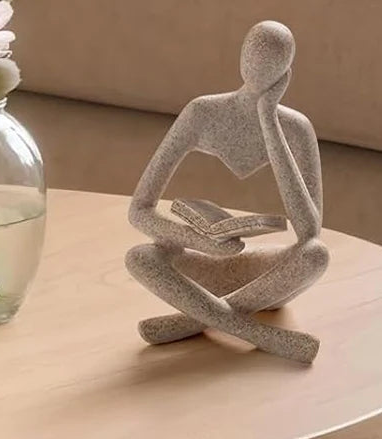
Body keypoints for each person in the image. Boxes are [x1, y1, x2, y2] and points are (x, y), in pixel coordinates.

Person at [126, 21, 328, 363]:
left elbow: (309, 231)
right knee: (140, 257)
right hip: (200, 265)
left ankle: (194, 319)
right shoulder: (201, 113)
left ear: (285, 72)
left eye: (270, 62)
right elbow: (140, 210)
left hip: (264, 278)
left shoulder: (296, 128)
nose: (258, 67)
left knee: (316, 255)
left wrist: (268, 120)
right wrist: (200, 241)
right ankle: (258, 335)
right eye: (253, 55)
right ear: (241, 56)